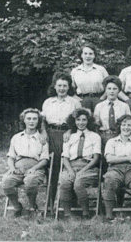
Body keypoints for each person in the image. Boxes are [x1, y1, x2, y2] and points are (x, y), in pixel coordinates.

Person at [41, 72, 82, 208]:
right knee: (52, 168)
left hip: (68, 135)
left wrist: (70, 130)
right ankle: (50, 203)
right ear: (55, 86)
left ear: (69, 87)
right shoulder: (48, 102)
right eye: (59, 85)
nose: (62, 88)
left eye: (65, 86)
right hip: (51, 134)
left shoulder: (74, 102)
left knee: (67, 166)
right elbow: (42, 121)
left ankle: (70, 202)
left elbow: (79, 121)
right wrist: (43, 132)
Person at [2, 108, 49, 217]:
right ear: (24, 120)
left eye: (34, 119)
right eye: (28, 118)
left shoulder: (42, 139)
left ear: (38, 121)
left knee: (30, 181)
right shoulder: (16, 137)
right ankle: (17, 207)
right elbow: (11, 156)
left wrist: (34, 168)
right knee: (6, 182)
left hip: (35, 167)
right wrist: (12, 168)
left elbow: (45, 159)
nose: (31, 121)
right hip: (18, 167)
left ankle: (33, 206)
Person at [58, 108, 101, 219]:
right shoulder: (69, 136)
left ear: (89, 121)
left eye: (84, 120)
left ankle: (86, 213)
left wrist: (82, 170)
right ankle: (67, 214)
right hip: (70, 166)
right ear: (74, 121)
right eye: (78, 120)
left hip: (88, 167)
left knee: (78, 183)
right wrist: (71, 171)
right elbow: (65, 157)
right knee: (64, 182)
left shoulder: (95, 136)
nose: (81, 123)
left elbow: (96, 158)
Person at [102, 115, 131, 221]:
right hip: (115, 169)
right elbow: (109, 159)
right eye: (124, 125)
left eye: (129, 125)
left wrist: (118, 157)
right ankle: (109, 216)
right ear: (119, 126)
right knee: (109, 179)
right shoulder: (112, 142)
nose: (126, 128)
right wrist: (128, 157)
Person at [93, 75, 131, 147]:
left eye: (114, 89)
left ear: (119, 90)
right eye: (109, 88)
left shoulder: (124, 106)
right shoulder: (99, 106)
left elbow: (130, 123)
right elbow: (96, 125)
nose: (111, 91)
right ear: (105, 90)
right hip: (103, 136)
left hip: (120, 136)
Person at [70, 43, 109, 112]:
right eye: (85, 53)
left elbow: (109, 85)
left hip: (98, 99)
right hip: (82, 101)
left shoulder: (101, 69)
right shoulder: (75, 71)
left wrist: (102, 98)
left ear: (94, 56)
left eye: (90, 54)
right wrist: (78, 100)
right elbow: (70, 89)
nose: (88, 56)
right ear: (81, 55)